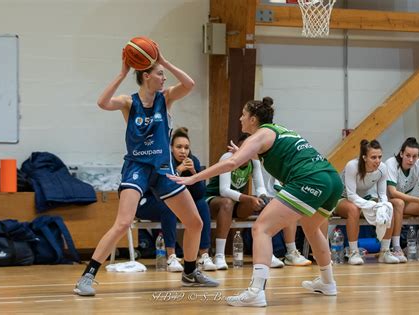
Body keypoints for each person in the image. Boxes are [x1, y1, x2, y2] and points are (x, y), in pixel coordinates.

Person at [169, 96, 343, 307]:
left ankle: (256, 291)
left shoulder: (259, 135)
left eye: (243, 114)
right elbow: (268, 154)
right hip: (332, 179)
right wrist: (244, 152)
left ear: (253, 119)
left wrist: (194, 177)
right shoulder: (277, 130)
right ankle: (327, 282)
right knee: (311, 227)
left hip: (310, 179)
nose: (240, 118)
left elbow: (231, 163)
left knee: (261, 228)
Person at [74, 50, 219, 296]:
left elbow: (189, 84)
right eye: (160, 74)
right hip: (137, 167)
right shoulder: (129, 103)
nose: (164, 78)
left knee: (195, 222)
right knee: (122, 223)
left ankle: (190, 271)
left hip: (163, 169)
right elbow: (101, 102)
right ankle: (87, 276)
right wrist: (122, 73)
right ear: (146, 76)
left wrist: (164, 61)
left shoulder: (166, 98)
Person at [136, 127, 216, 272]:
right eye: (179, 147)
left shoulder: (193, 161)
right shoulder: (163, 161)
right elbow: (162, 189)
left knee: (202, 204)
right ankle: (171, 256)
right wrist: (178, 170)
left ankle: (204, 254)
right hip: (148, 200)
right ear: (171, 148)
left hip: (174, 202)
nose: (183, 151)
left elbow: (200, 194)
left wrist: (194, 173)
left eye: (186, 147)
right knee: (168, 205)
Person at [206, 133, 285, 269]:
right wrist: (249, 198)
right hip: (214, 201)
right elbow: (223, 191)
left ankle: (268, 254)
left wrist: (263, 198)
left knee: (266, 203)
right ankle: (219, 255)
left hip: (235, 203)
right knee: (227, 202)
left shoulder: (254, 162)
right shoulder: (228, 158)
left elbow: (260, 186)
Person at [332, 139, 401, 265]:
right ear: (364, 157)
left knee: (389, 206)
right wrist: (371, 205)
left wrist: (382, 205)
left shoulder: (382, 168)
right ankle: (354, 252)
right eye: (373, 157)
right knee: (354, 209)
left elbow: (382, 194)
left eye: (380, 157)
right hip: (342, 198)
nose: (378, 161)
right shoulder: (352, 166)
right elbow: (351, 195)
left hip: (366, 198)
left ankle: (384, 252)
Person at [386, 137, 419, 260]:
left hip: (405, 202)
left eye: (415, 156)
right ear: (401, 153)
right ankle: (396, 247)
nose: (411, 159)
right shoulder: (391, 163)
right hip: (386, 202)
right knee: (399, 202)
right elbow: (392, 192)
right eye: (408, 155)